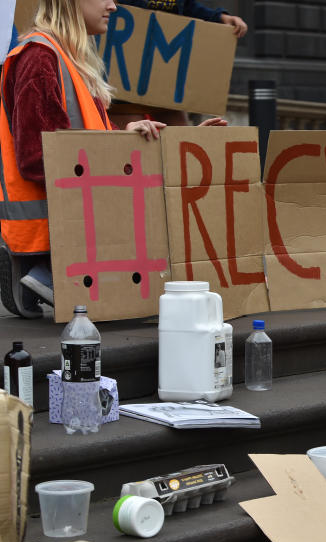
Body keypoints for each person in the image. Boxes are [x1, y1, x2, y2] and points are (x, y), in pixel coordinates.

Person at [0, 0, 225, 318]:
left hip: (81, 219)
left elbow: (84, 141)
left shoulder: (64, 57)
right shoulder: (39, 56)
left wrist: (134, 135)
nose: (113, 5)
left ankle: (48, 273)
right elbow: (37, 158)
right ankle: (43, 269)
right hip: (60, 226)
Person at [109, 0, 247, 128]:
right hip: (125, 83)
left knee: (180, 138)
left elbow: (187, 6)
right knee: (137, 139)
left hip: (165, 81)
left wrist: (220, 17)